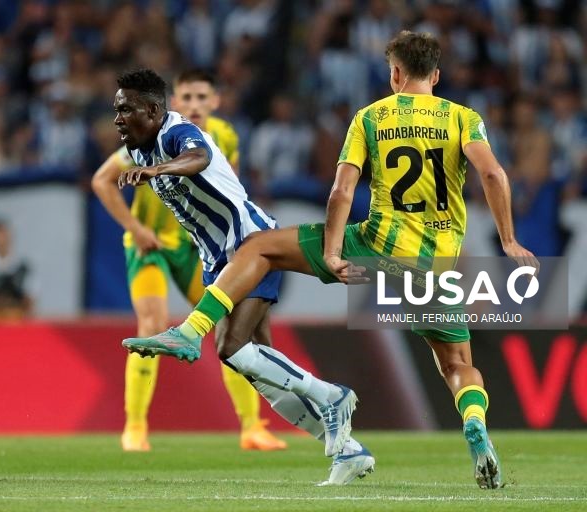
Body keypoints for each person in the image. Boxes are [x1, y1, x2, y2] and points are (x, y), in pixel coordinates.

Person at [126, 32, 540, 490]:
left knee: (260, 247)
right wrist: (509, 240)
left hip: (374, 250)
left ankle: (194, 332)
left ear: (395, 74)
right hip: (434, 269)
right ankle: (473, 423)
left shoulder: (371, 118)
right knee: (457, 364)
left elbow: (342, 192)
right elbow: (492, 173)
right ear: (437, 76)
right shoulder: (463, 118)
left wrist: (331, 252)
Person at [115, 68, 373, 485]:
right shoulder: (138, 151)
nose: (117, 118)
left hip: (250, 242)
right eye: (116, 110)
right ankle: (345, 448)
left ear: (153, 109)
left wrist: (159, 171)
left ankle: (332, 396)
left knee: (231, 347)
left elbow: (199, 158)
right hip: (216, 258)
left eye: (125, 109)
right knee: (260, 367)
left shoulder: (177, 132)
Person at [92, 69, 286, 452]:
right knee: (151, 321)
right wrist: (134, 226)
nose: (195, 106)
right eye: (188, 98)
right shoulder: (143, 137)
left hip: (196, 247)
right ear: (171, 103)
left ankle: (252, 426)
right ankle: (134, 428)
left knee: (229, 324)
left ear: (214, 102)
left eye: (202, 98)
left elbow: (222, 180)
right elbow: (102, 179)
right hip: (150, 244)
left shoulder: (223, 137)